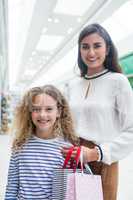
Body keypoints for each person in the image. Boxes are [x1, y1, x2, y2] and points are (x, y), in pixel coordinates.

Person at [62, 23, 133, 200]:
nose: (91, 53)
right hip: (72, 158)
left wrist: (96, 153)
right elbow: (63, 123)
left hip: (103, 161)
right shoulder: (72, 84)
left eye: (97, 46)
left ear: (107, 49)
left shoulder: (118, 81)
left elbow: (131, 129)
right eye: (85, 47)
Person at [5, 85, 78, 200]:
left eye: (49, 109)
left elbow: (67, 191)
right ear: (29, 112)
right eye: (36, 109)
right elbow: (12, 186)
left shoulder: (66, 149)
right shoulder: (20, 144)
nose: (42, 114)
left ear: (58, 112)